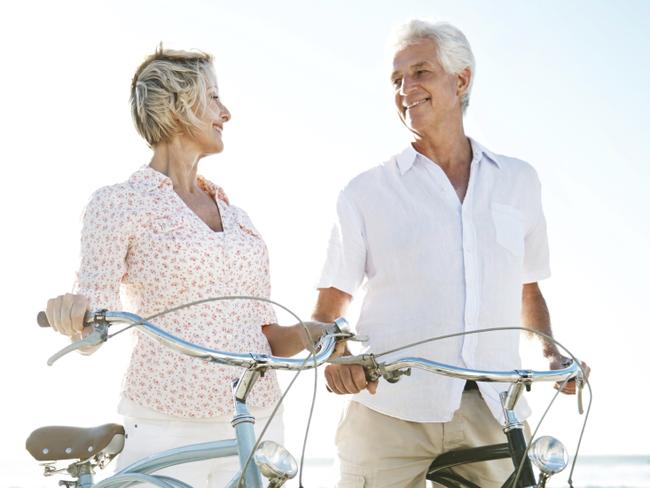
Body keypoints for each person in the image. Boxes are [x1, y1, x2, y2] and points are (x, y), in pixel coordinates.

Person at [313, 19, 591, 488]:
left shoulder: (519, 182)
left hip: (492, 410)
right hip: (387, 413)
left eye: (420, 72)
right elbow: (329, 306)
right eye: (396, 79)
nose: (406, 88)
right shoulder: (364, 192)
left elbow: (527, 288)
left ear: (461, 80)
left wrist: (550, 351)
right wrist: (338, 352)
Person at [45, 46, 330, 487]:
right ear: (178, 105)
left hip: (258, 420)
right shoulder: (120, 203)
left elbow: (264, 334)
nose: (227, 112)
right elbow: (91, 322)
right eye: (213, 97)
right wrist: (72, 314)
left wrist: (313, 332)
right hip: (167, 425)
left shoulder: (238, 217)